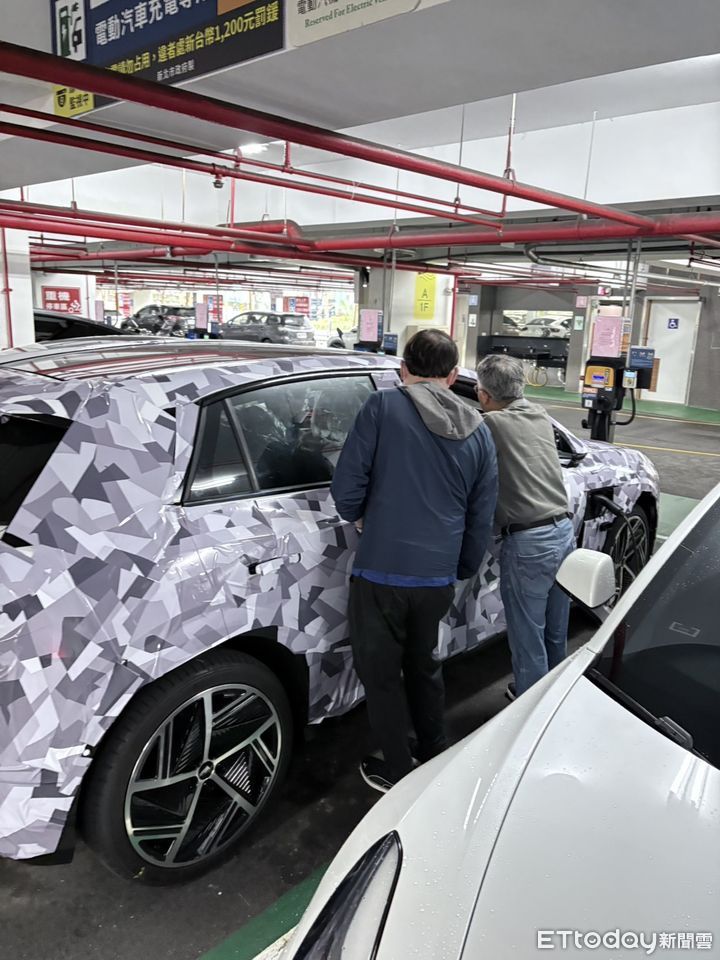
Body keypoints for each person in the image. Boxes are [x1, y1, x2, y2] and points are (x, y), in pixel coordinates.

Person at [331, 329, 498, 792]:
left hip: (381, 571)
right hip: (437, 577)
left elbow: (346, 487)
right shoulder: (480, 429)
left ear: (403, 369)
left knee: (381, 675)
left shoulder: (382, 407)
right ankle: (433, 748)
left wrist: (359, 516)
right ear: (453, 376)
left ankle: (399, 771)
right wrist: (461, 567)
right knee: (424, 665)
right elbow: (481, 512)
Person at [475, 354, 575, 699]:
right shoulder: (540, 414)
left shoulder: (490, 424)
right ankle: (556, 698)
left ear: (483, 395)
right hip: (563, 533)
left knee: (527, 635)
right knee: (554, 630)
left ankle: (530, 707)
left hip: (529, 543)